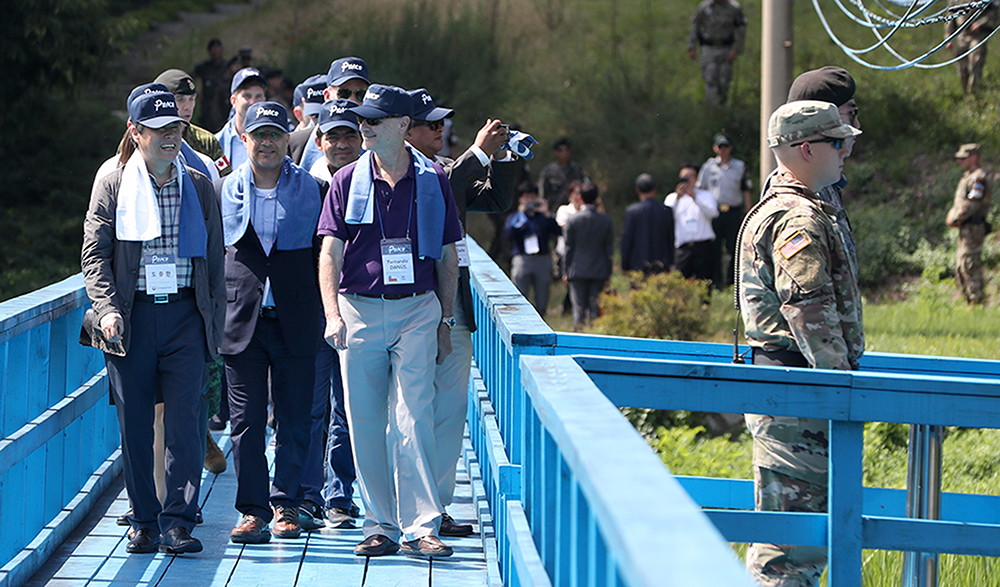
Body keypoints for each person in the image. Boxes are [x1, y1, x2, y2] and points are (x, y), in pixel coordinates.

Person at [317, 85, 462, 558]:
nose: (365, 126)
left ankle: (422, 525)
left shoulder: (433, 179)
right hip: (357, 309)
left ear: (402, 125)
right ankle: (379, 523)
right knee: (365, 420)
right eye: (363, 119)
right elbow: (330, 252)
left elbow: (447, 255)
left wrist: (444, 321)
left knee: (412, 416)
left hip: (418, 308)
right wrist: (331, 314)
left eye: (375, 120)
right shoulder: (345, 181)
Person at [80, 89, 225, 554]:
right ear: (135, 131)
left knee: (186, 423)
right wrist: (105, 309)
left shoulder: (198, 184)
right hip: (132, 317)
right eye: (159, 130)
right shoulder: (114, 182)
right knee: (135, 425)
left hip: (185, 314)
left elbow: (216, 262)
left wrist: (213, 325)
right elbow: (94, 254)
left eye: (175, 129)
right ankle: (143, 519)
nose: (170, 138)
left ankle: (179, 521)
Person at [737, 100, 863, 587]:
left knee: (790, 537)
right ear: (806, 148)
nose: (845, 150)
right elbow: (809, 309)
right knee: (792, 550)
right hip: (800, 395)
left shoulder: (789, 207)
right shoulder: (798, 218)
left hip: (787, 391)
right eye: (836, 142)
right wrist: (842, 388)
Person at [406, 88, 517, 537]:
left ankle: (438, 506)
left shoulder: (450, 167)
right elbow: (441, 190)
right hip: (412, 303)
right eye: (431, 124)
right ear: (404, 129)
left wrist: (504, 157)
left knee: (450, 413)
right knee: (411, 410)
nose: (440, 130)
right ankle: (407, 506)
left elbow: (495, 201)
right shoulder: (405, 173)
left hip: (456, 307)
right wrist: (477, 151)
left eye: (441, 124)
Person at [220, 102, 325, 544]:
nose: (266, 143)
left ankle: (287, 503)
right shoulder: (224, 191)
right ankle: (253, 510)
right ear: (244, 140)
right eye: (257, 135)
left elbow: (327, 251)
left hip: (297, 317)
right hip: (241, 318)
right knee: (244, 421)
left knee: (296, 417)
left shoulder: (313, 189)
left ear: (289, 139)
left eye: (275, 135)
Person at [300, 98, 363, 531]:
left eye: (349, 134)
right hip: (309, 311)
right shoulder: (300, 185)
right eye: (333, 135)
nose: (341, 143)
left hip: (360, 309)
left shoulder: (374, 180)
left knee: (350, 407)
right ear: (318, 140)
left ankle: (340, 494)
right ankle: (306, 494)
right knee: (309, 405)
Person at [290, 57, 370, 171]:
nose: (352, 101)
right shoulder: (297, 144)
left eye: (361, 94)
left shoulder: (379, 143)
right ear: (327, 96)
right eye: (344, 93)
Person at [696, 132, 751, 289]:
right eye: (720, 147)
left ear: (730, 148)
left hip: (733, 211)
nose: (723, 150)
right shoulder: (708, 167)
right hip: (714, 212)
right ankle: (716, 281)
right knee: (714, 249)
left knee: (734, 247)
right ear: (715, 148)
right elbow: (701, 190)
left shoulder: (739, 167)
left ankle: (732, 281)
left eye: (726, 146)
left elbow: (745, 190)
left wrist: (748, 212)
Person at [154, 69, 231, 180]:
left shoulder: (206, 141)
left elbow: (226, 181)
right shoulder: (144, 138)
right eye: (180, 99)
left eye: (192, 99)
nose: (188, 106)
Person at [505, 183, 561, 314]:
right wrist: (521, 214)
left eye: (533, 197)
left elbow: (558, 231)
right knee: (519, 298)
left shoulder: (543, 217)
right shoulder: (515, 217)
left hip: (542, 259)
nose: (530, 200)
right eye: (527, 197)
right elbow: (508, 235)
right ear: (521, 199)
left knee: (542, 300)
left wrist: (547, 213)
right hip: (522, 259)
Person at [563, 181, 613, 329]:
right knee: (595, 310)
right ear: (597, 198)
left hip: (577, 269)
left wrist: (566, 270)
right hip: (599, 269)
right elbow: (608, 248)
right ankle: (596, 339)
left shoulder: (573, 220)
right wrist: (608, 271)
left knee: (578, 309)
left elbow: (568, 248)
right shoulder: (605, 220)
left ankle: (577, 339)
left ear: (580, 198)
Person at [947, 143, 991, 304]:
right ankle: (970, 302)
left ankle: (977, 302)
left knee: (970, 265)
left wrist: (955, 218)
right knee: (962, 266)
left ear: (974, 157)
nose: (961, 161)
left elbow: (973, 202)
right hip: (966, 228)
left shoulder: (978, 178)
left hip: (973, 228)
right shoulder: (968, 177)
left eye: (964, 158)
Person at [687, 0, 748, 105]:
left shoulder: (734, 8)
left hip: (726, 48)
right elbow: (695, 26)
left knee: (724, 81)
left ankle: (722, 105)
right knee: (710, 78)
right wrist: (691, 46)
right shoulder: (704, 7)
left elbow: (740, 29)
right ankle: (712, 106)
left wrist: (736, 49)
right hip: (709, 48)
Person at [665, 165, 718, 280]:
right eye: (684, 177)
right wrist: (678, 197)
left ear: (696, 178)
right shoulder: (672, 198)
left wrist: (695, 197)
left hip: (703, 246)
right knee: (681, 285)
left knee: (704, 283)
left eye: (691, 177)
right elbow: (666, 218)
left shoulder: (706, 195)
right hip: (683, 248)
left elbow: (713, 213)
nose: (687, 180)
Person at [621, 173, 674, 275]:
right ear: (655, 190)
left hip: (638, 265)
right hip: (661, 264)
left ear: (638, 191)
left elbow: (627, 240)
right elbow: (670, 239)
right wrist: (670, 262)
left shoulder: (632, 211)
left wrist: (625, 265)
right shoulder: (666, 210)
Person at [215, 67, 267, 171]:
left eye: (258, 96)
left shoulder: (276, 140)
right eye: (247, 96)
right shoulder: (216, 144)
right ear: (233, 101)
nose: (253, 102)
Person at [945, 0, 999, 93]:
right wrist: (948, 37)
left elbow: (995, 12)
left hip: (979, 33)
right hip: (963, 33)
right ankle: (965, 91)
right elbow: (950, 15)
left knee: (975, 61)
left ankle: (975, 92)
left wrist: (980, 24)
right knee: (962, 64)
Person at [193, 38, 230, 132]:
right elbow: (189, 77)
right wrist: (195, 93)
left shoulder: (227, 67)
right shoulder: (205, 67)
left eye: (217, 48)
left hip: (224, 104)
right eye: (213, 49)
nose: (215, 51)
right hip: (208, 104)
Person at [538, 137, 586, 209]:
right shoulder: (548, 171)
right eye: (560, 150)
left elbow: (583, 187)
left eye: (566, 150)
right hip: (554, 209)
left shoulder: (577, 169)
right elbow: (543, 193)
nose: (564, 153)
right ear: (556, 152)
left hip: (574, 209)